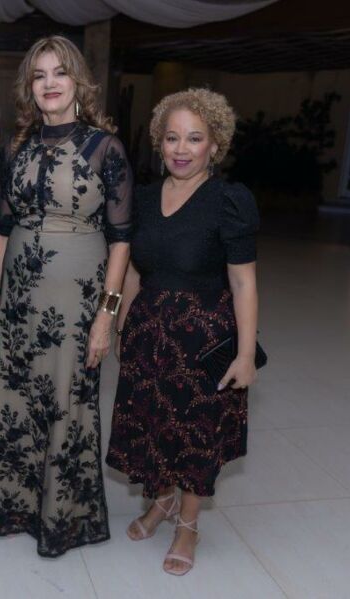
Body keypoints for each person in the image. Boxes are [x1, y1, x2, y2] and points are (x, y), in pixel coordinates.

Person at [0, 35, 133, 557]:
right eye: (39, 75)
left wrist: (106, 316)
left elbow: (121, 240)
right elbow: (3, 226)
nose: (49, 83)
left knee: (68, 399)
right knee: (19, 398)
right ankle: (17, 507)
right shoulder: (17, 148)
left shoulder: (104, 148)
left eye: (60, 72)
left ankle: (65, 518)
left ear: (78, 82)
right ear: (29, 87)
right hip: (20, 293)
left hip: (77, 299)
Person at [106, 88, 260, 575]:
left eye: (195, 138)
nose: (181, 148)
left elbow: (244, 282)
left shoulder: (229, 201)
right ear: (160, 141)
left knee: (196, 432)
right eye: (172, 137)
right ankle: (162, 500)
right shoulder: (144, 198)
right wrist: (123, 326)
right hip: (150, 331)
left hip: (205, 337)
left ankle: (188, 525)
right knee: (155, 424)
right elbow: (134, 270)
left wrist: (244, 356)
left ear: (215, 144)